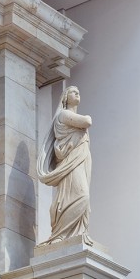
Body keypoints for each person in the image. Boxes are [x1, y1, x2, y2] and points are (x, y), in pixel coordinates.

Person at [37, 85, 93, 245]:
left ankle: (77, 232)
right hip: (70, 163)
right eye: (74, 92)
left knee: (84, 198)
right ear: (65, 97)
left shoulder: (71, 118)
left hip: (81, 160)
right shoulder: (63, 114)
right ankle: (60, 234)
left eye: (79, 91)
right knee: (81, 196)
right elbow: (87, 121)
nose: (78, 94)